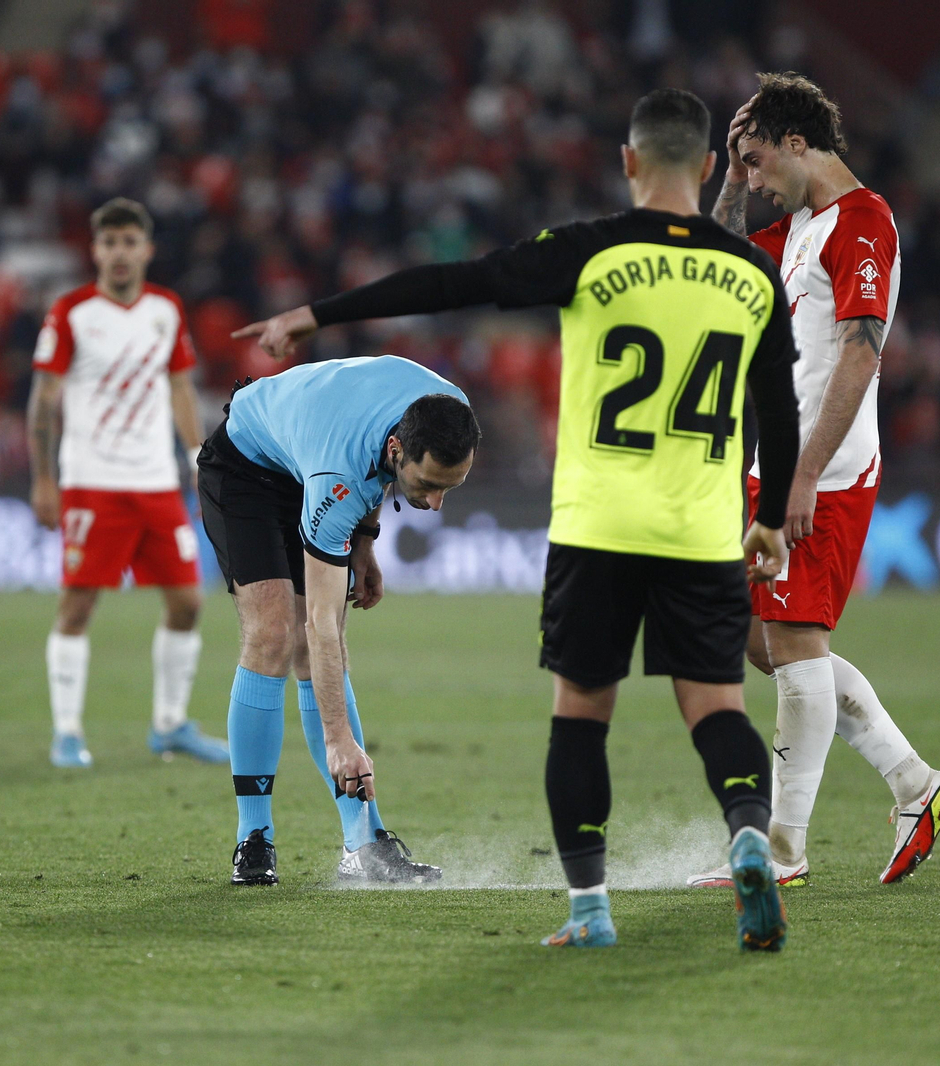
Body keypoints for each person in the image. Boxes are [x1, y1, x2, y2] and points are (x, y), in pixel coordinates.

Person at [238, 89, 801, 951]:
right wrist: (768, 515)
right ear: (711, 169)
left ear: (627, 162)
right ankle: (750, 831)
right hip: (701, 522)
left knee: (580, 718)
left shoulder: (592, 251)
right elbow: (780, 407)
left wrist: (318, 314)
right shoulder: (751, 273)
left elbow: (456, 282)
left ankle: (590, 911)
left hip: (600, 520)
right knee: (717, 704)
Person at [686, 73, 940, 890]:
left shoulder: (864, 223)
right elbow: (718, 265)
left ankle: (781, 849)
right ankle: (916, 784)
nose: (757, 180)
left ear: (799, 144)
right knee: (748, 635)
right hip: (774, 464)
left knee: (797, 644)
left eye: (760, 161)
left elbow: (859, 350)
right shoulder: (802, 228)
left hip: (823, 472)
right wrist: (732, 181)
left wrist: (802, 479)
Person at [196, 356, 479, 886]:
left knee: (315, 644)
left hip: (316, 453)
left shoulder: (448, 412)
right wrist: (338, 741)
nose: (437, 504)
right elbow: (321, 626)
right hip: (247, 471)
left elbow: (378, 465)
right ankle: (253, 838)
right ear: (399, 449)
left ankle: (364, 845)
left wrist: (365, 541)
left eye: (451, 486)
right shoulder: (337, 477)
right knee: (276, 634)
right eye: (429, 484)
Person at [27, 198, 227, 768]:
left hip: (157, 483)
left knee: (188, 601)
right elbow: (44, 400)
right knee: (77, 605)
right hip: (92, 482)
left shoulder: (165, 309)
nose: (119, 252)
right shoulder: (70, 312)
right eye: (109, 242)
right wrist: (45, 480)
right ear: (95, 251)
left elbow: (181, 387)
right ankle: (67, 732)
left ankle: (170, 725)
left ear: (146, 249)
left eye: (128, 242)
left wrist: (195, 455)